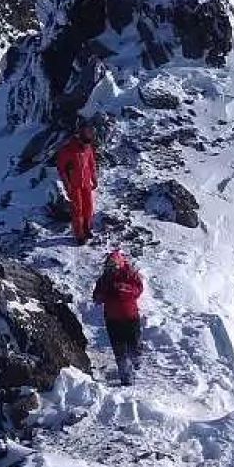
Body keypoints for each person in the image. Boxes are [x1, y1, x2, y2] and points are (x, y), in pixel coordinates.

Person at [92, 249, 144, 386]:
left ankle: (136, 359)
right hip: (112, 319)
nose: (112, 269)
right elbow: (96, 297)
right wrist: (103, 294)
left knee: (134, 343)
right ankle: (126, 377)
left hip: (130, 316)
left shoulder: (129, 274)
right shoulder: (104, 279)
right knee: (119, 349)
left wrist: (124, 288)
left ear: (120, 263)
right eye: (109, 266)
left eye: (114, 265)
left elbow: (138, 290)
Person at [55, 123, 98, 244]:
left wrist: (94, 179)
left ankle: (87, 228)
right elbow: (61, 169)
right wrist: (67, 185)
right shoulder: (67, 151)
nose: (87, 145)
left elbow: (91, 164)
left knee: (88, 207)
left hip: (86, 183)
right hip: (74, 185)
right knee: (77, 210)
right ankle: (79, 235)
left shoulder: (88, 148)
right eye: (85, 143)